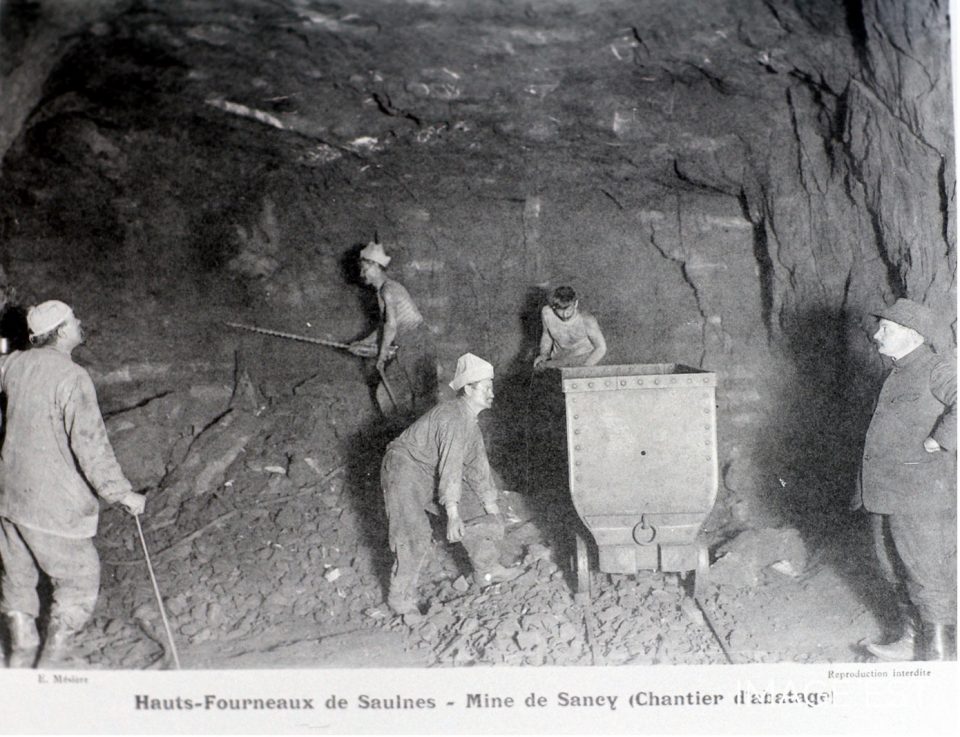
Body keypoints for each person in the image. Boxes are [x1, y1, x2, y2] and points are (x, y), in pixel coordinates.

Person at [0, 300, 145, 668]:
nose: (80, 323)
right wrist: (122, 493)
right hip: (53, 505)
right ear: (62, 331)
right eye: (74, 320)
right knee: (79, 577)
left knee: (17, 576)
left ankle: (20, 651)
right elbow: (91, 445)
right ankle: (54, 659)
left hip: (9, 500)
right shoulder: (73, 377)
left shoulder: (15, 364)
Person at [853, 298, 956, 662]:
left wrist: (940, 439)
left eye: (887, 328)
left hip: (921, 496)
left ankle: (940, 658)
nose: (877, 333)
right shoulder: (896, 371)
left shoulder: (935, 369)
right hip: (884, 492)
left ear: (911, 335)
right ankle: (912, 639)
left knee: (926, 573)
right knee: (893, 569)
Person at [380, 353, 521, 615]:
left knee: (476, 508)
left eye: (492, 386)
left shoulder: (471, 425)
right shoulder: (453, 416)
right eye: (486, 387)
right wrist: (453, 514)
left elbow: (479, 471)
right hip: (404, 468)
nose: (492, 393)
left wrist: (492, 512)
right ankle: (401, 601)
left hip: (430, 471)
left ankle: (487, 571)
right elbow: (451, 467)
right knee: (415, 534)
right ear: (469, 389)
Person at [347, 241, 438, 416]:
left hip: (416, 342)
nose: (362, 274)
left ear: (375, 266)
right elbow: (384, 325)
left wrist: (381, 355)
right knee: (387, 392)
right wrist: (363, 343)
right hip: (411, 342)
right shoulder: (385, 290)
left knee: (421, 395)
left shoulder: (387, 290)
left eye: (364, 269)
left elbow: (391, 326)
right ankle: (401, 428)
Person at [532, 286, 607, 370]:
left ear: (576, 304)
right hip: (558, 361)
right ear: (554, 306)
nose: (564, 314)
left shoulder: (587, 320)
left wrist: (584, 368)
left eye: (568, 309)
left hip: (583, 359)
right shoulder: (547, 313)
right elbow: (547, 334)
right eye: (560, 310)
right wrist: (544, 354)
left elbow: (601, 348)